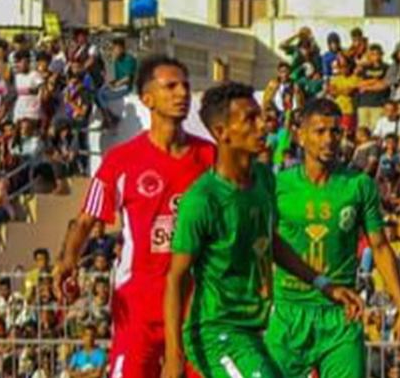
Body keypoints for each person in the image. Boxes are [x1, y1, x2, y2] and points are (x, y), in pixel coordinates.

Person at [162, 83, 363, 378]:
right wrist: (172, 354)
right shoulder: (203, 199)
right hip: (215, 333)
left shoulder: (264, 179)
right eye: (250, 119)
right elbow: (175, 278)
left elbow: (271, 242)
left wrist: (325, 285)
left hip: (251, 331)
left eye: (261, 116)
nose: (263, 125)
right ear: (221, 132)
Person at [52, 56, 215, 378]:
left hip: (197, 301)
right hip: (140, 302)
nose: (182, 93)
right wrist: (68, 259)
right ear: (147, 99)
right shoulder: (120, 160)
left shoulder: (210, 157)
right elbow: (85, 221)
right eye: (171, 86)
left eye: (185, 85)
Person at [266, 98, 400, 378]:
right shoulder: (278, 185)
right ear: (301, 135)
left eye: (335, 132)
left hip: (341, 315)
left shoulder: (358, 186)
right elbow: (266, 246)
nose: (329, 139)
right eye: (319, 131)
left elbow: (381, 248)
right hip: (289, 313)